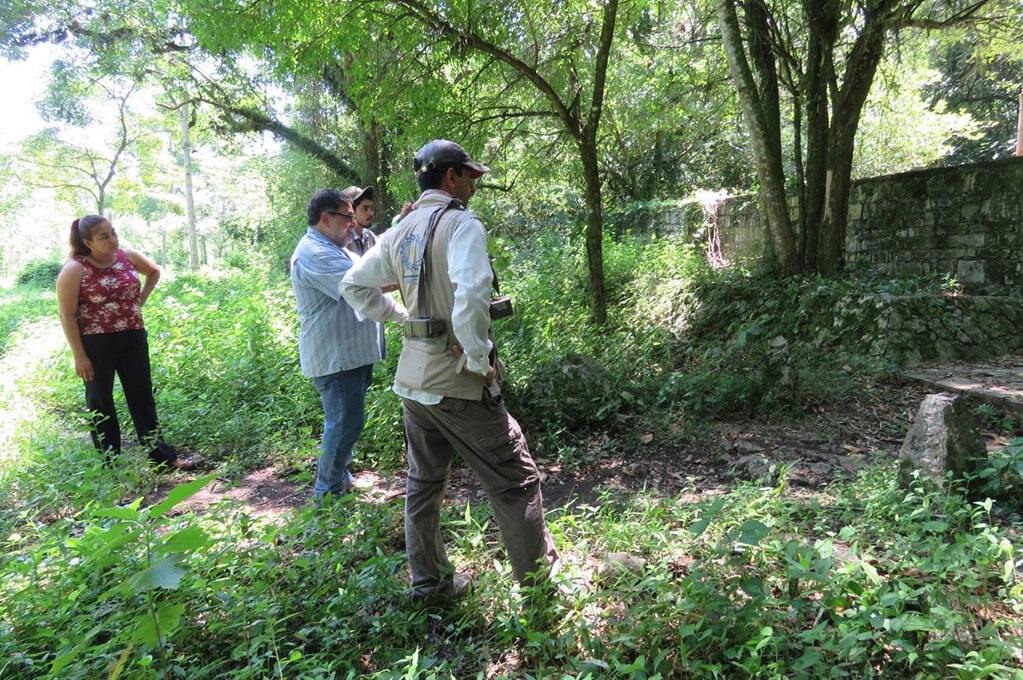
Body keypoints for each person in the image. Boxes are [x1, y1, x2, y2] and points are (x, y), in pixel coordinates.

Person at [340, 140, 560, 606]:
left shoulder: (399, 230)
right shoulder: (462, 224)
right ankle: (542, 592)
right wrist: (478, 362)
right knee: (514, 480)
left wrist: (402, 320)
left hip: (413, 380)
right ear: (450, 177)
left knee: (423, 483)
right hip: (457, 381)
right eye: (469, 174)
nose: (474, 183)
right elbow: (472, 295)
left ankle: (431, 585)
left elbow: (353, 284)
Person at [55, 215, 196, 470]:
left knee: (141, 397)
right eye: (104, 236)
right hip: (96, 344)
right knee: (100, 401)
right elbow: (67, 314)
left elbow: (153, 271)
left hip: (133, 338)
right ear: (88, 242)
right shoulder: (75, 269)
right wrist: (79, 355)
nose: (113, 239)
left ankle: (162, 458)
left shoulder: (127, 257)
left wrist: (140, 299)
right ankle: (109, 465)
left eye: (113, 232)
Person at [290, 189, 392, 503]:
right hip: (337, 359)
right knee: (344, 423)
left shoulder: (334, 247)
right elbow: (364, 285)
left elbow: (369, 269)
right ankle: (326, 494)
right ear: (326, 218)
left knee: (348, 421)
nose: (353, 223)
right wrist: (410, 275)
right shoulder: (314, 253)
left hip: (350, 356)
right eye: (348, 216)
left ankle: (341, 477)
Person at [341, 185, 378, 257]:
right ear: (351, 211)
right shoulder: (343, 241)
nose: (371, 213)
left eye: (371, 208)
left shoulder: (369, 236)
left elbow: (386, 245)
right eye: (365, 208)